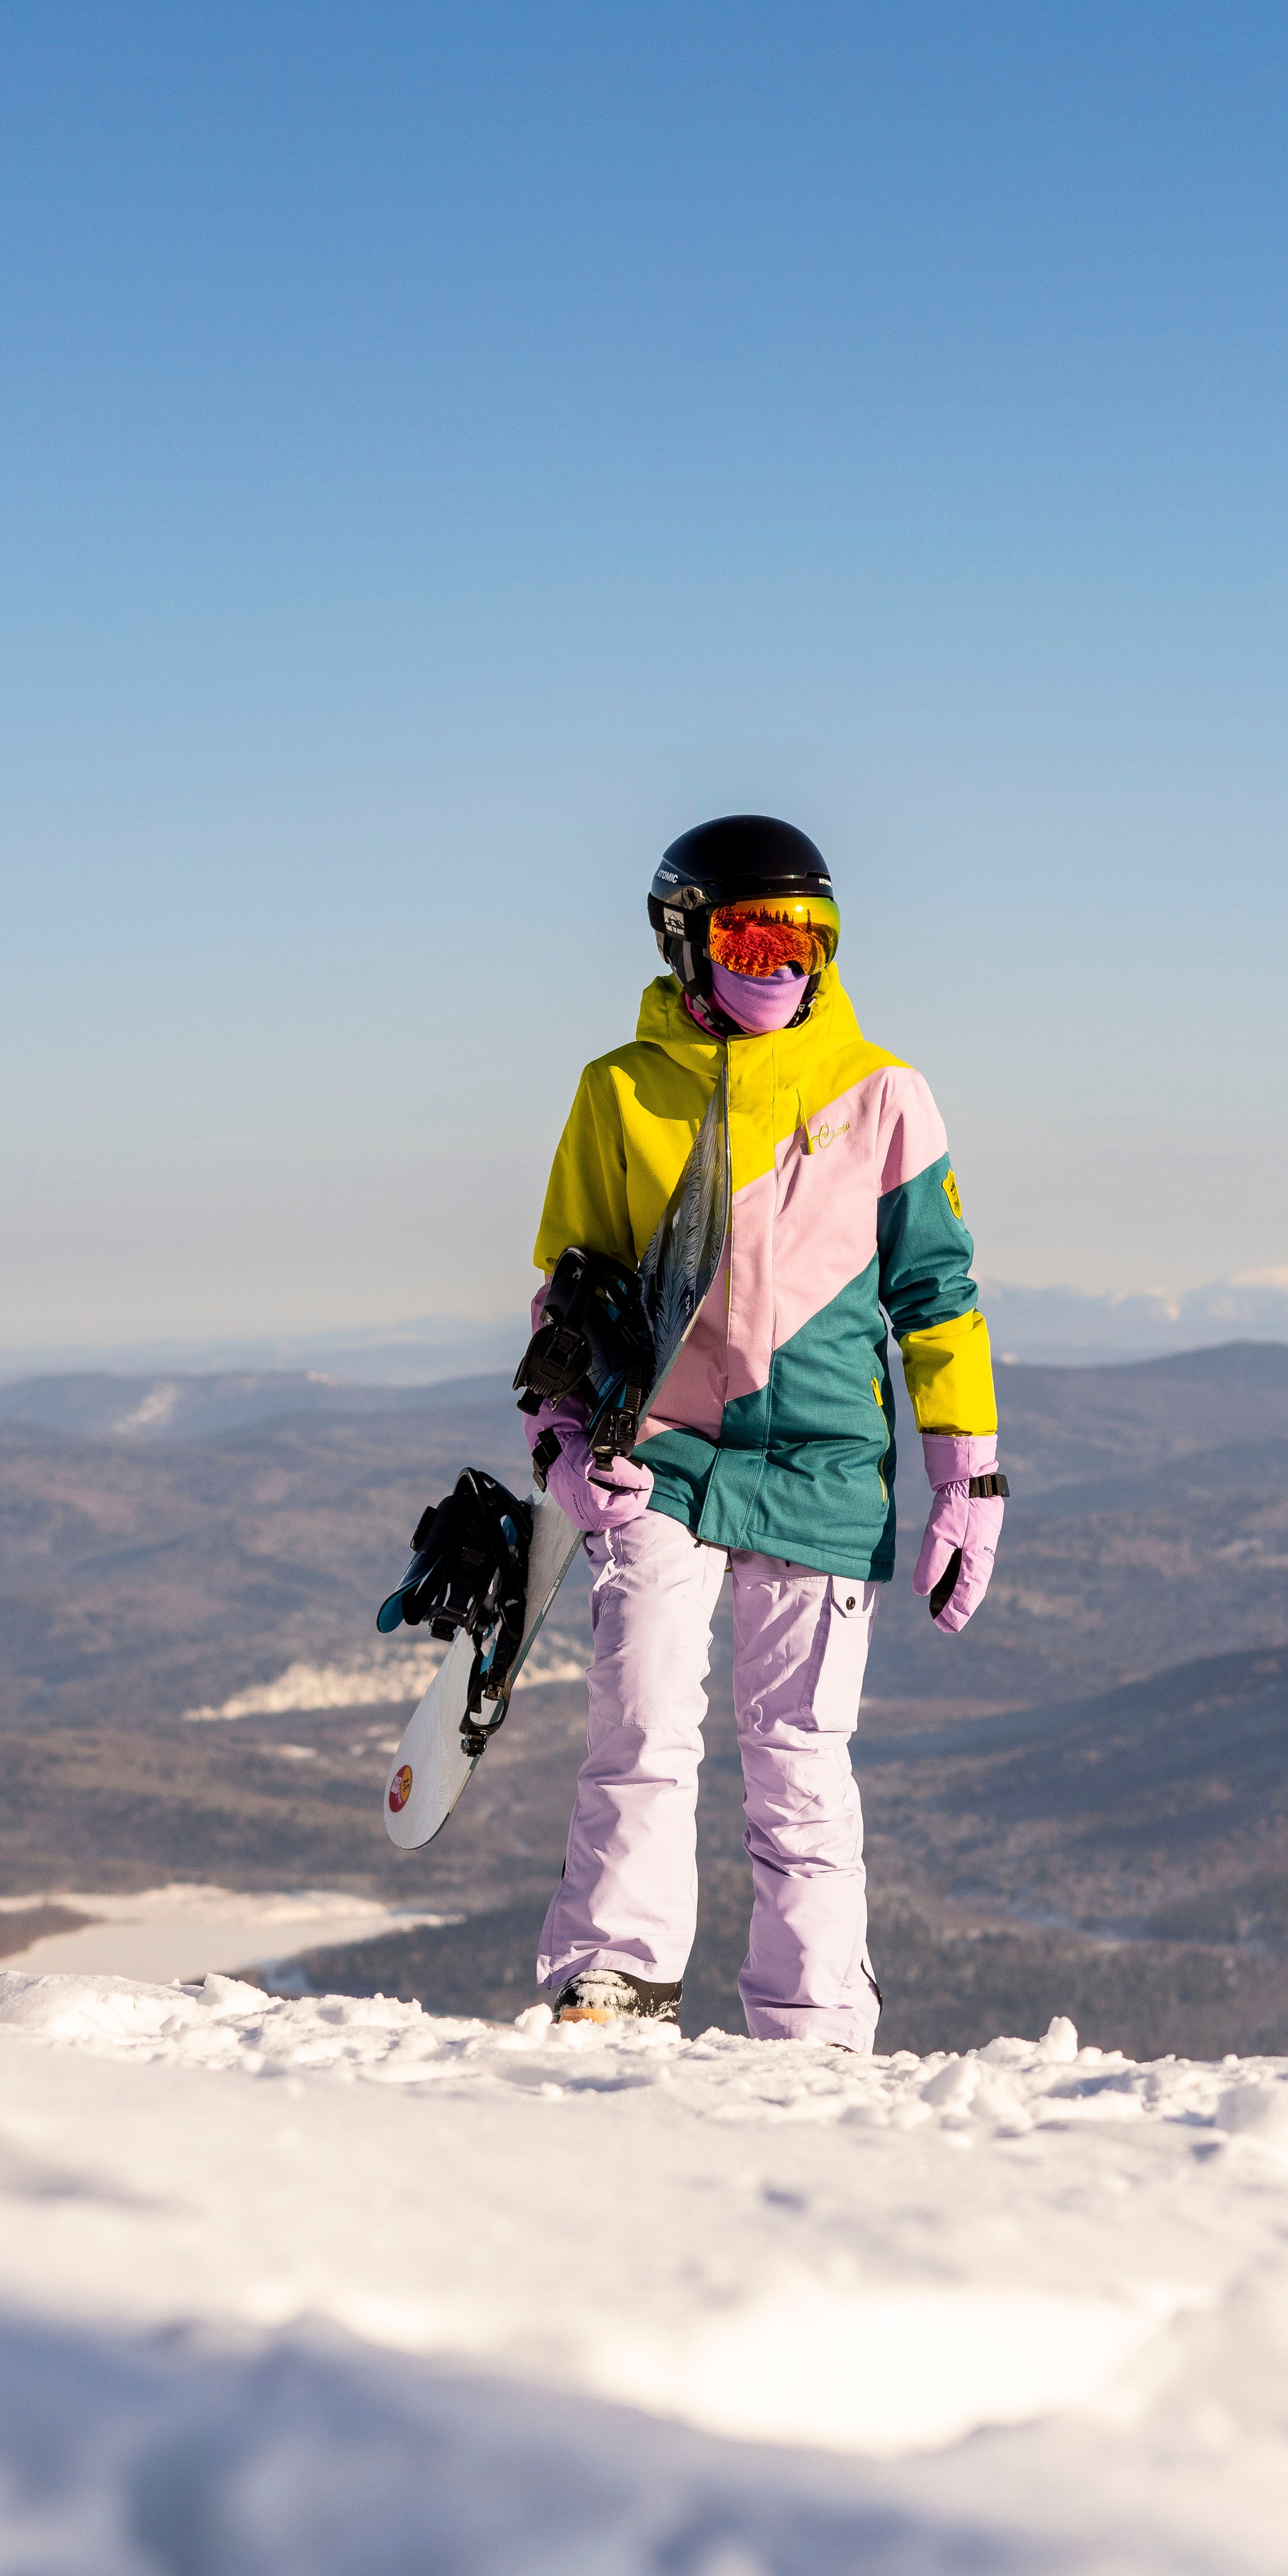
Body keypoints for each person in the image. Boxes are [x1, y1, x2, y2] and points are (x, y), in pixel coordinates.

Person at [524, 815, 1007, 2049]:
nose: (781, 964)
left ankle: (812, 2022)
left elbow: (937, 1294)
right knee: (640, 1723)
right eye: (751, 933)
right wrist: (564, 1437)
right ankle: (614, 1986)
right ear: (687, 939)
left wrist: (968, 1474)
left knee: (799, 1758)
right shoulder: (617, 1093)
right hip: (665, 1453)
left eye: (807, 939)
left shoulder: (883, 1095)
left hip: (824, 1464)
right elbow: (569, 1287)